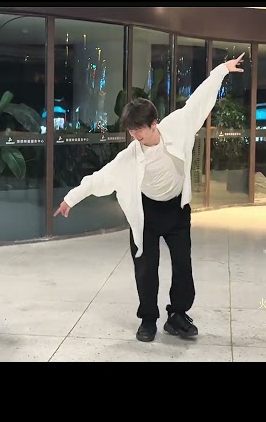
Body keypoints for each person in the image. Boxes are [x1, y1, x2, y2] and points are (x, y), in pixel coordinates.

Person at [54, 54, 245, 342]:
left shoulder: (177, 125)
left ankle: (178, 315)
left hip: (177, 210)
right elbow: (98, 179)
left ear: (154, 123)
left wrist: (222, 70)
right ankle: (147, 319)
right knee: (145, 269)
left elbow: (199, 100)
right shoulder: (129, 157)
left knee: (183, 265)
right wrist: (70, 199)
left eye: (139, 130)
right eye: (131, 132)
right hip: (147, 215)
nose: (135, 137)